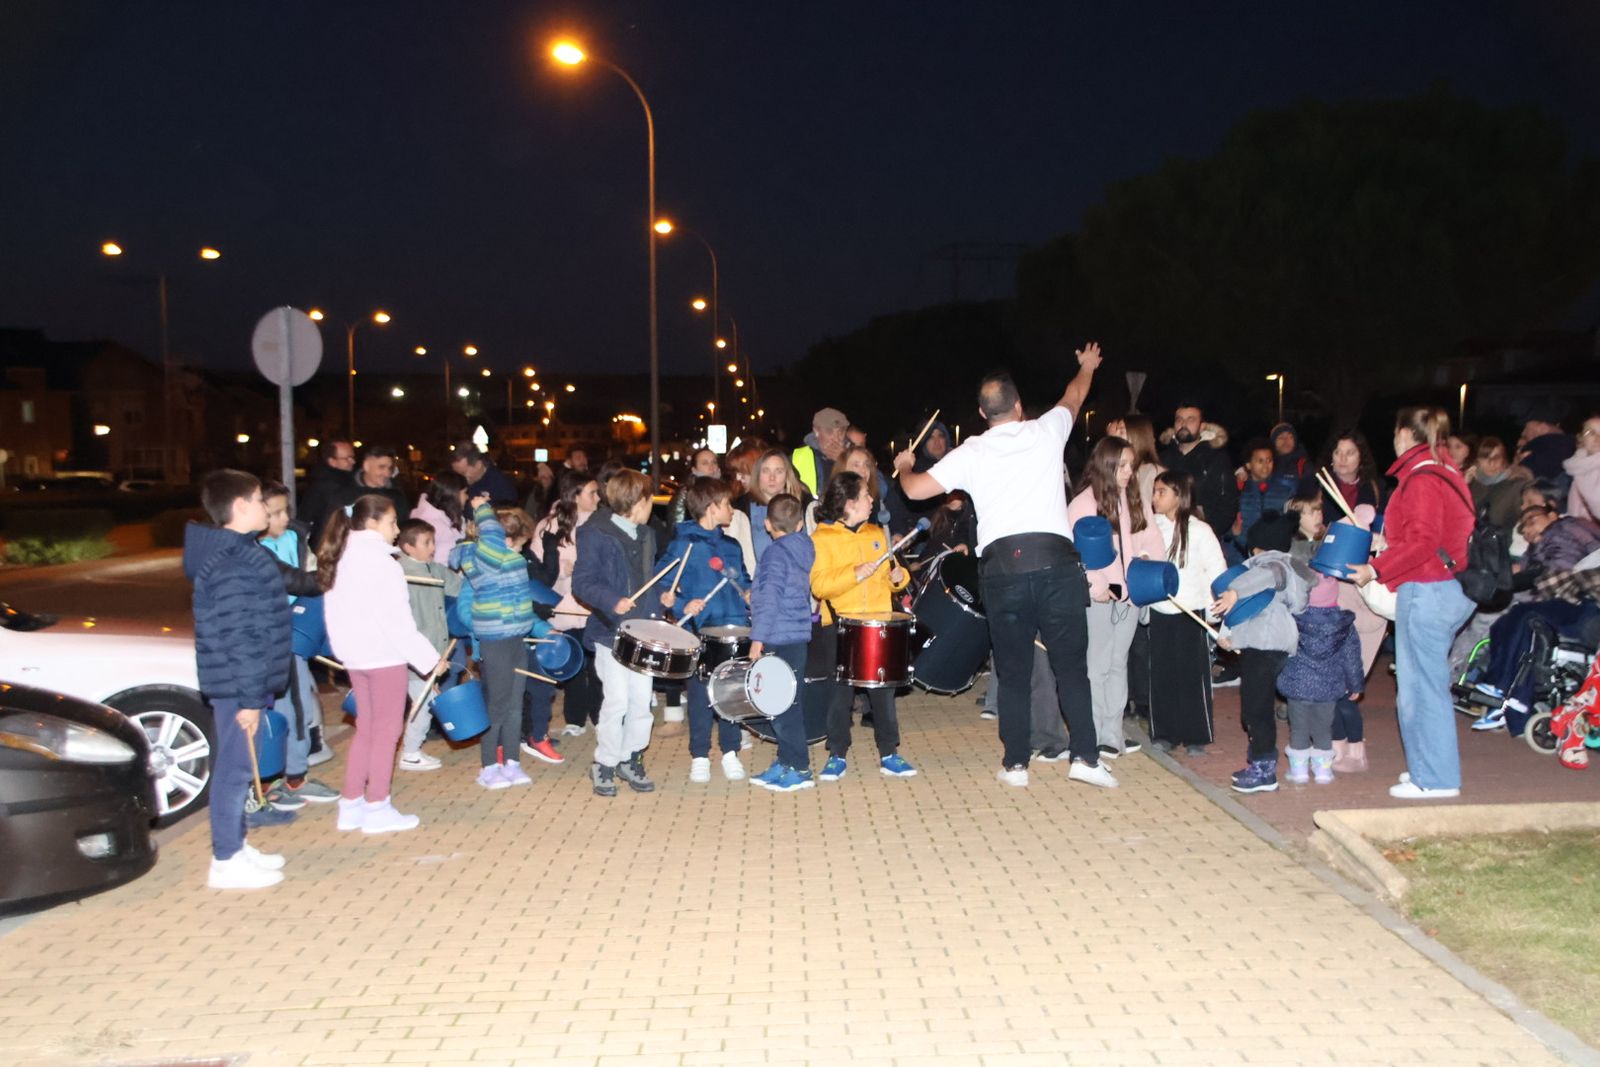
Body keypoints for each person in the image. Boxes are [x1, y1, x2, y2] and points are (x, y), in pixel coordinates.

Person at [896, 344, 1117, 789]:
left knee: (1013, 672)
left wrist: (903, 466)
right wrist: (1087, 367)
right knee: (1071, 667)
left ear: (982, 413)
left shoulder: (972, 451)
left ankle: (1016, 765)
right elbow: (1074, 395)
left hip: (1003, 572)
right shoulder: (1046, 430)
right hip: (1055, 566)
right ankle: (1086, 759)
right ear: (1018, 405)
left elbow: (915, 490)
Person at [1349, 405, 1476, 800]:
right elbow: (1433, 536)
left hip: (1429, 589)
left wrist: (1375, 568)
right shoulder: (1445, 470)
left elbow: (1423, 542)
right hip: (1442, 587)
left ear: (1405, 434)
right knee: (1419, 684)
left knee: (1422, 688)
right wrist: (1388, 545)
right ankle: (1426, 767)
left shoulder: (1422, 478)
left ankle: (1436, 779)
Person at [184, 470, 294, 889]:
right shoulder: (232, 564)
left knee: (243, 768)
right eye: (260, 499)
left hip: (244, 683)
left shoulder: (242, 552)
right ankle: (225, 859)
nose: (267, 507)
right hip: (236, 685)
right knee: (233, 771)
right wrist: (249, 699)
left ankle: (236, 844)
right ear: (241, 506)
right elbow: (242, 635)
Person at [317, 494, 445, 834]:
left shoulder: (342, 556)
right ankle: (377, 806)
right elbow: (398, 621)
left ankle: (351, 804)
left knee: (367, 731)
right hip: (384, 656)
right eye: (392, 522)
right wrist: (430, 660)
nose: (397, 529)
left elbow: (334, 612)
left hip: (357, 656)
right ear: (372, 523)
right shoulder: (383, 563)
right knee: (387, 733)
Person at [571, 469, 675, 797]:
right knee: (616, 701)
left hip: (643, 631)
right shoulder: (595, 533)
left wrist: (662, 597)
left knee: (641, 701)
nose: (652, 507)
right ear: (638, 502)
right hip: (610, 632)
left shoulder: (646, 535)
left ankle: (631, 758)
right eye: (649, 500)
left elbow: (646, 579)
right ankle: (605, 762)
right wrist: (611, 600)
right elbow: (582, 582)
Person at [809, 472, 917, 782]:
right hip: (841, 625)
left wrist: (899, 578)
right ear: (849, 502)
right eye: (866, 496)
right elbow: (819, 585)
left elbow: (894, 575)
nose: (872, 500)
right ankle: (837, 753)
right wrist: (853, 573)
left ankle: (889, 752)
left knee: (883, 692)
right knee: (840, 694)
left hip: (877, 623)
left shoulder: (876, 534)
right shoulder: (822, 538)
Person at [1066, 435, 1162, 760]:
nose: (1129, 472)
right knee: (1097, 665)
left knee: (1118, 663)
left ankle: (1113, 732)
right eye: (1122, 466)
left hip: (1130, 594)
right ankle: (1093, 733)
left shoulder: (1134, 498)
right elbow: (1077, 555)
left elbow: (1152, 538)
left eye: (1131, 465)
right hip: (1101, 597)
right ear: (1105, 466)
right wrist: (1096, 585)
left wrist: (1148, 567)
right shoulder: (1083, 504)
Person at [1210, 514, 1311, 793]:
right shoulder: (1285, 569)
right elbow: (1254, 616)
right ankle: (1260, 764)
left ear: (1256, 548)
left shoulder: (1272, 565)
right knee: (1257, 706)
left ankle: (1264, 770)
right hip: (1271, 643)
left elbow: (1266, 576)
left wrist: (1234, 591)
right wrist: (1232, 638)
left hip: (1265, 646)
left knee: (1256, 709)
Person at [661, 476, 752, 783]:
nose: (732, 510)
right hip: (699, 630)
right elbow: (663, 585)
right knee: (700, 696)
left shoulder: (731, 546)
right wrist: (682, 605)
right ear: (712, 508)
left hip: (734, 627)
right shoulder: (683, 544)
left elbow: (744, 580)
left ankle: (730, 752)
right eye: (727, 504)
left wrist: (749, 594)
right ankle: (700, 755)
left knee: (732, 693)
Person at [454, 496, 547, 789]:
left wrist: (544, 629)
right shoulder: (486, 562)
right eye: (519, 544)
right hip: (495, 643)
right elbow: (491, 534)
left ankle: (512, 761)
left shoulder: (508, 561)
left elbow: (524, 605)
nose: (522, 550)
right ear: (502, 540)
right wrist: (482, 507)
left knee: (515, 705)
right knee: (497, 706)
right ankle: (488, 766)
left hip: (517, 639)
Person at [257, 481, 338, 807]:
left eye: (285, 511)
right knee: (290, 708)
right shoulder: (254, 551)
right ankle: (286, 778)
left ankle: (292, 774)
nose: (283, 519)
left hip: (299, 633)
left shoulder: (295, 537)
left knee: (300, 705)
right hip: (277, 638)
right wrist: (329, 577)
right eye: (274, 513)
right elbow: (297, 581)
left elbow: (311, 570)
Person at [1143, 469, 1228, 753]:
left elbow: (1216, 572)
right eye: (1154, 492)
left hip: (1191, 612)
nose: (1155, 498)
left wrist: (1215, 613)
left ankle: (1196, 736)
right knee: (1162, 674)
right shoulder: (1149, 529)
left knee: (1193, 676)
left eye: (1161, 492)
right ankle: (1164, 732)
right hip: (1159, 609)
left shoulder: (1200, 531)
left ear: (1179, 496)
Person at [747, 493, 817, 792]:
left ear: (767, 524)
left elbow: (771, 599)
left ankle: (799, 768)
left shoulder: (775, 554)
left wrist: (757, 639)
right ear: (800, 524)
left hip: (778, 635)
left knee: (783, 705)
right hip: (796, 635)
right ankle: (785, 760)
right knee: (783, 702)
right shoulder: (804, 548)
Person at [1276, 559, 1365, 786]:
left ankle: (1299, 772)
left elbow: (1281, 649)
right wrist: (1355, 684)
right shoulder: (1344, 625)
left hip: (1297, 685)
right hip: (1329, 687)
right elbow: (1352, 658)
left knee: (1298, 728)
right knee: (1324, 729)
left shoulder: (1293, 620)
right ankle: (1323, 772)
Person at [530, 470, 599, 737]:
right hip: (563, 606)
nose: (598, 497)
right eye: (592, 493)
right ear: (575, 495)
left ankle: (599, 714)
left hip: (594, 606)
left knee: (597, 663)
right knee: (573, 660)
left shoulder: (601, 523)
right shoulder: (549, 526)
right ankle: (575, 718)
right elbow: (536, 568)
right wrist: (560, 569)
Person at [395, 519, 461, 772]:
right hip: (415, 654)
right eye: (426, 542)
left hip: (435, 649)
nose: (433, 547)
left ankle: (411, 750)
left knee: (425, 701)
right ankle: (410, 752)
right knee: (423, 703)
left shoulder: (435, 569)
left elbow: (459, 588)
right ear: (408, 547)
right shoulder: (400, 574)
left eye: (433, 541)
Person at [1159, 403, 1238, 550]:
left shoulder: (1216, 458)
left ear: (1202, 426)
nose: (1183, 424)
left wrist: (1207, 533)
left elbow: (1228, 503)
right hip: (1165, 539)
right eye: (1179, 419)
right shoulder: (1163, 458)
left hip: (1202, 542)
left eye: (1191, 419)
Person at [1297, 429, 1385, 530]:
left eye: (1350, 453)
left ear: (1361, 457)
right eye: (1337, 452)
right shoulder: (1314, 484)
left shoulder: (1375, 488)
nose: (1343, 459)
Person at [735, 449, 808, 571]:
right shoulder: (740, 509)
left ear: (787, 474)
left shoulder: (805, 505)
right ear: (757, 475)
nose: (772, 478)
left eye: (778, 471)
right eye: (766, 471)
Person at [1234, 438, 1296, 554]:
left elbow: (1293, 524)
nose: (1265, 466)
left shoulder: (1285, 490)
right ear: (1248, 465)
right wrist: (1234, 533)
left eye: (1269, 460)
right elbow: (1227, 524)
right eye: (1260, 461)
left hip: (1275, 555)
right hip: (1241, 553)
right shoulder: (1238, 490)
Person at [1468, 437, 1532, 537]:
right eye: (1485, 457)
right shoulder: (1472, 482)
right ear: (1477, 460)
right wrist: (1463, 484)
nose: (1491, 463)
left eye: (1497, 457)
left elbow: (1526, 518)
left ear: (1504, 459)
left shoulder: (1516, 485)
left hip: (1502, 543)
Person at [332, 444, 412, 522]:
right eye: (381, 467)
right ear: (366, 466)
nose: (387, 473)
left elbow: (404, 526)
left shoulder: (397, 496)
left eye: (390, 468)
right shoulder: (345, 494)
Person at [298, 439, 357, 543]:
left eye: (352, 457)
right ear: (332, 461)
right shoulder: (326, 487)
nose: (352, 461)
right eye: (347, 458)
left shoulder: (347, 482)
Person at [412, 470, 469, 564]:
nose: (467, 497)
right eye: (465, 492)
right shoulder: (433, 525)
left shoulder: (449, 517)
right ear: (454, 495)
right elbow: (441, 563)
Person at [790, 407, 850, 496]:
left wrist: (844, 461)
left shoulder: (855, 454)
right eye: (829, 431)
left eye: (841, 432)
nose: (836, 438)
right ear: (816, 431)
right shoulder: (799, 457)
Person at [1516, 415, 1576, 496]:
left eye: (1526, 429)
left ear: (1543, 427)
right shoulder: (1572, 444)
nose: (1523, 432)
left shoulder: (1542, 447)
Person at [450, 443, 519, 505]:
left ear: (478, 465)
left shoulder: (500, 485)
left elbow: (509, 510)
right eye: (458, 474)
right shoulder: (459, 483)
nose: (461, 478)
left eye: (463, 473)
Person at [668, 447, 722, 526]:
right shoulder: (685, 493)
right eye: (705, 463)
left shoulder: (723, 491)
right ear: (694, 469)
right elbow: (676, 525)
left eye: (714, 462)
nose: (711, 467)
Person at [1563, 415, 1600, 525]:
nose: (1598, 438)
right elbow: (1574, 516)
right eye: (1591, 433)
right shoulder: (1576, 470)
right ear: (1581, 438)